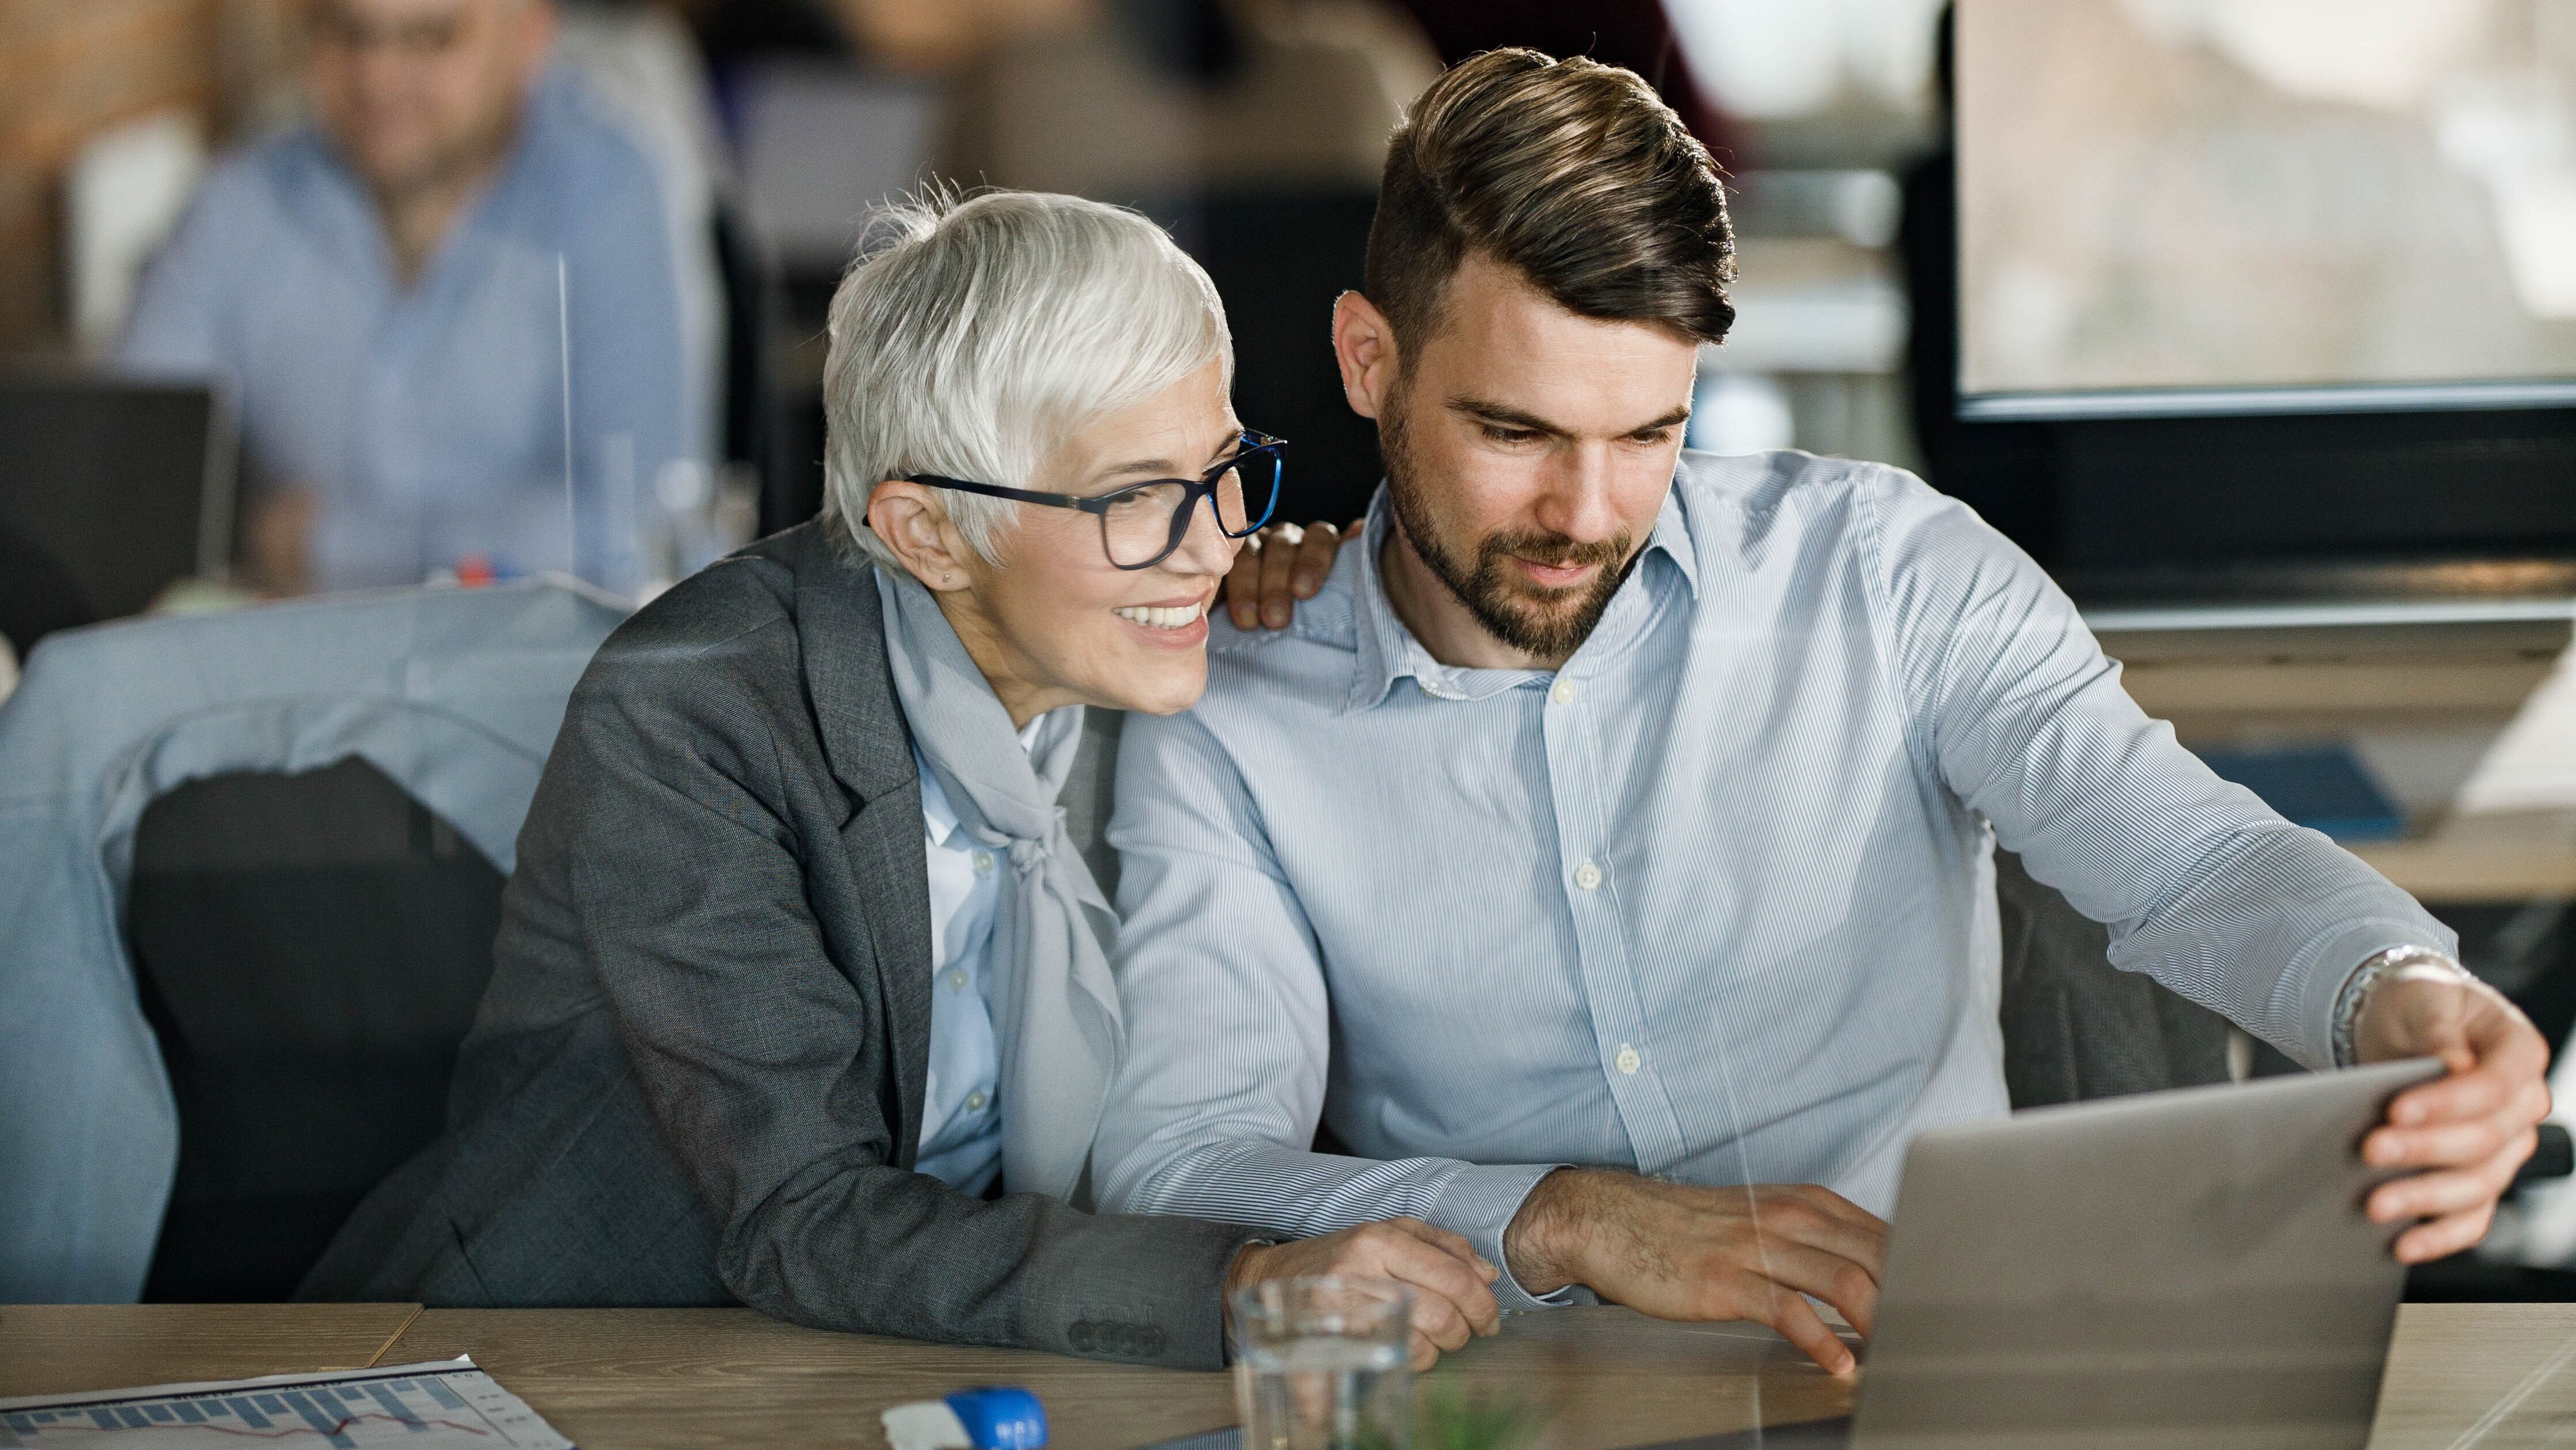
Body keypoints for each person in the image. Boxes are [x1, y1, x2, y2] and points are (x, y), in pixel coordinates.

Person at [1092, 48, 2554, 1376]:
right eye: (1513, 432)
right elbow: (1181, 1158)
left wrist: (2389, 983)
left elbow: (2187, 858)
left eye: (1646, 433)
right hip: (1519, 1400)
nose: (1582, 514)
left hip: (1939, 1373)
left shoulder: (1883, 571)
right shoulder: (1235, 708)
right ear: (1369, 361)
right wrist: (1553, 1221)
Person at [299, 190, 1502, 1372]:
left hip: (914, 1363)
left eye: (1226, 469)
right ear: (925, 532)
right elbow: (804, 1216)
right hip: (551, 1358)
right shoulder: (693, 714)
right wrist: (1231, 1284)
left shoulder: (1145, 662)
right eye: (1136, 497)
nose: (1211, 543)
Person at [120, 0, 694, 596]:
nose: (377, 78)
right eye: (346, 33)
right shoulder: (238, 203)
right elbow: (127, 477)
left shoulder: (609, 195)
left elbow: (640, 526)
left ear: (528, 35)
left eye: (429, 37)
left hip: (547, 674)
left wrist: (331, 542)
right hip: (309, 670)